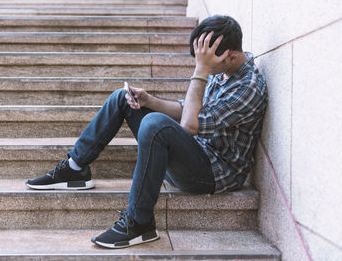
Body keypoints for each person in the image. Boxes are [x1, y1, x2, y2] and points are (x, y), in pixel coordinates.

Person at [25, 15, 268, 249]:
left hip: (214, 173)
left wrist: (200, 71)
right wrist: (150, 100)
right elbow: (187, 111)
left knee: (154, 124)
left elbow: (190, 126)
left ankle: (140, 222)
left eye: (206, 63)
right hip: (195, 152)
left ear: (231, 56)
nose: (202, 66)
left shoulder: (248, 88)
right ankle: (76, 167)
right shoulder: (225, 68)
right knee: (124, 97)